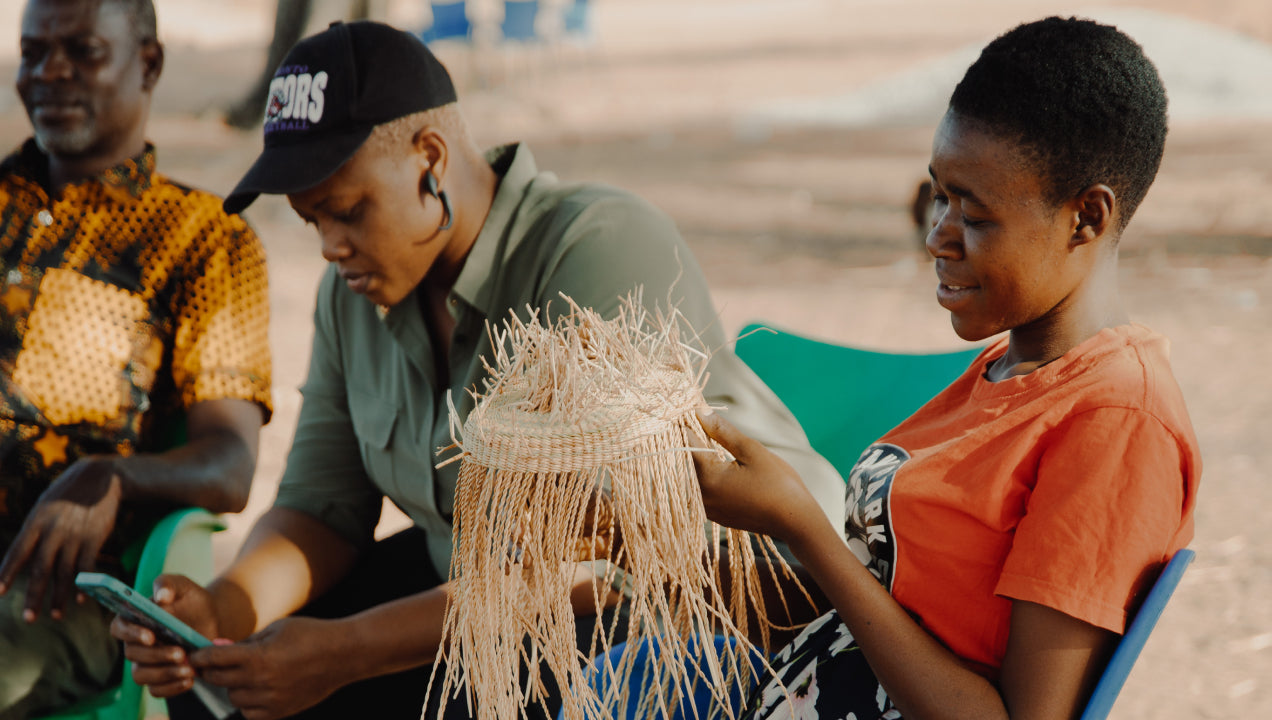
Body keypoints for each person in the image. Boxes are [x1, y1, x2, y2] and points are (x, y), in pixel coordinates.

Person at [112, 20, 842, 720]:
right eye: (313, 222)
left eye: (348, 210)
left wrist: (349, 652)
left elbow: (582, 562)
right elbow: (321, 506)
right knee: (227, 689)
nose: (331, 247)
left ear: (430, 158)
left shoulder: (594, 245)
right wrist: (223, 611)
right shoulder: (355, 294)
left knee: (466, 682)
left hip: (686, 613)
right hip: (481, 603)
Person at [692, 16, 1200, 720]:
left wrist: (801, 525)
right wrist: (667, 546)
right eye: (940, 195)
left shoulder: (1114, 423)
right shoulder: (1005, 365)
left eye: (977, 215)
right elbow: (873, 604)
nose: (938, 236)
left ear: (1086, 217)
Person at [0, 0, 273, 716]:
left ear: (148, 63)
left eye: (83, 51)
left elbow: (231, 464)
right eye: (33, 53)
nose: (50, 72)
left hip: (52, 595)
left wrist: (108, 474)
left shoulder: (202, 240)